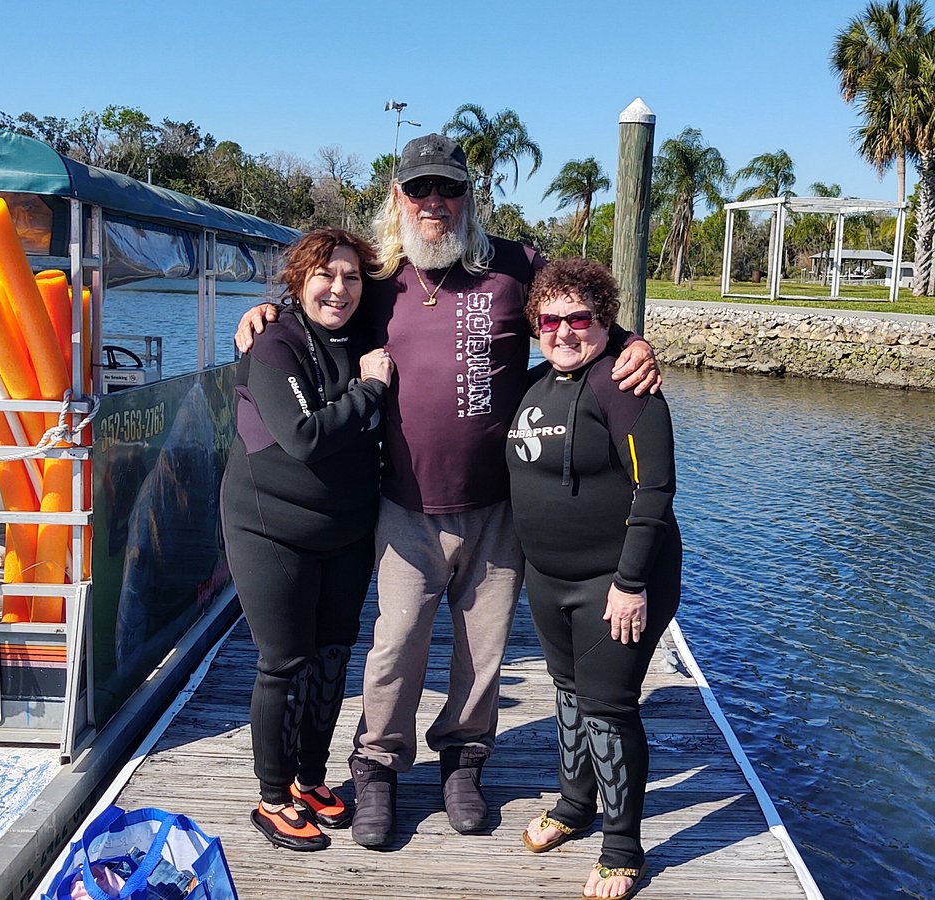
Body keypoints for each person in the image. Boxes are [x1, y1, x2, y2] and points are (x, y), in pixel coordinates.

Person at [235, 134, 661, 849]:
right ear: (398, 199)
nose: (435, 203)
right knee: (394, 645)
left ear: (470, 198)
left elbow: (578, 311)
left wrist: (632, 342)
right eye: (419, 191)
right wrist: (263, 314)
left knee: (482, 648)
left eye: (449, 190)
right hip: (402, 504)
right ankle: (376, 769)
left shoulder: (515, 265)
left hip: (498, 505)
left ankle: (463, 764)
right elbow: (318, 308)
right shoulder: (376, 281)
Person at [507, 258, 681, 899]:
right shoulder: (531, 386)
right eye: (549, 320)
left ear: (605, 320)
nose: (563, 332)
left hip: (618, 580)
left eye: (579, 318)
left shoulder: (625, 386)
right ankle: (575, 805)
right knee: (567, 694)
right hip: (549, 577)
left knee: (608, 708)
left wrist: (631, 582)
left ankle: (622, 847)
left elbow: (655, 489)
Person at [221, 227, 393, 851]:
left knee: (331, 658)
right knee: (284, 663)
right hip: (272, 527)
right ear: (298, 280)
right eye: (325, 275)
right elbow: (302, 435)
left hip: (345, 529)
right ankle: (271, 796)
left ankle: (309, 779)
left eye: (351, 277)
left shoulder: (369, 326)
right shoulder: (275, 340)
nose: (339, 289)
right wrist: (371, 388)